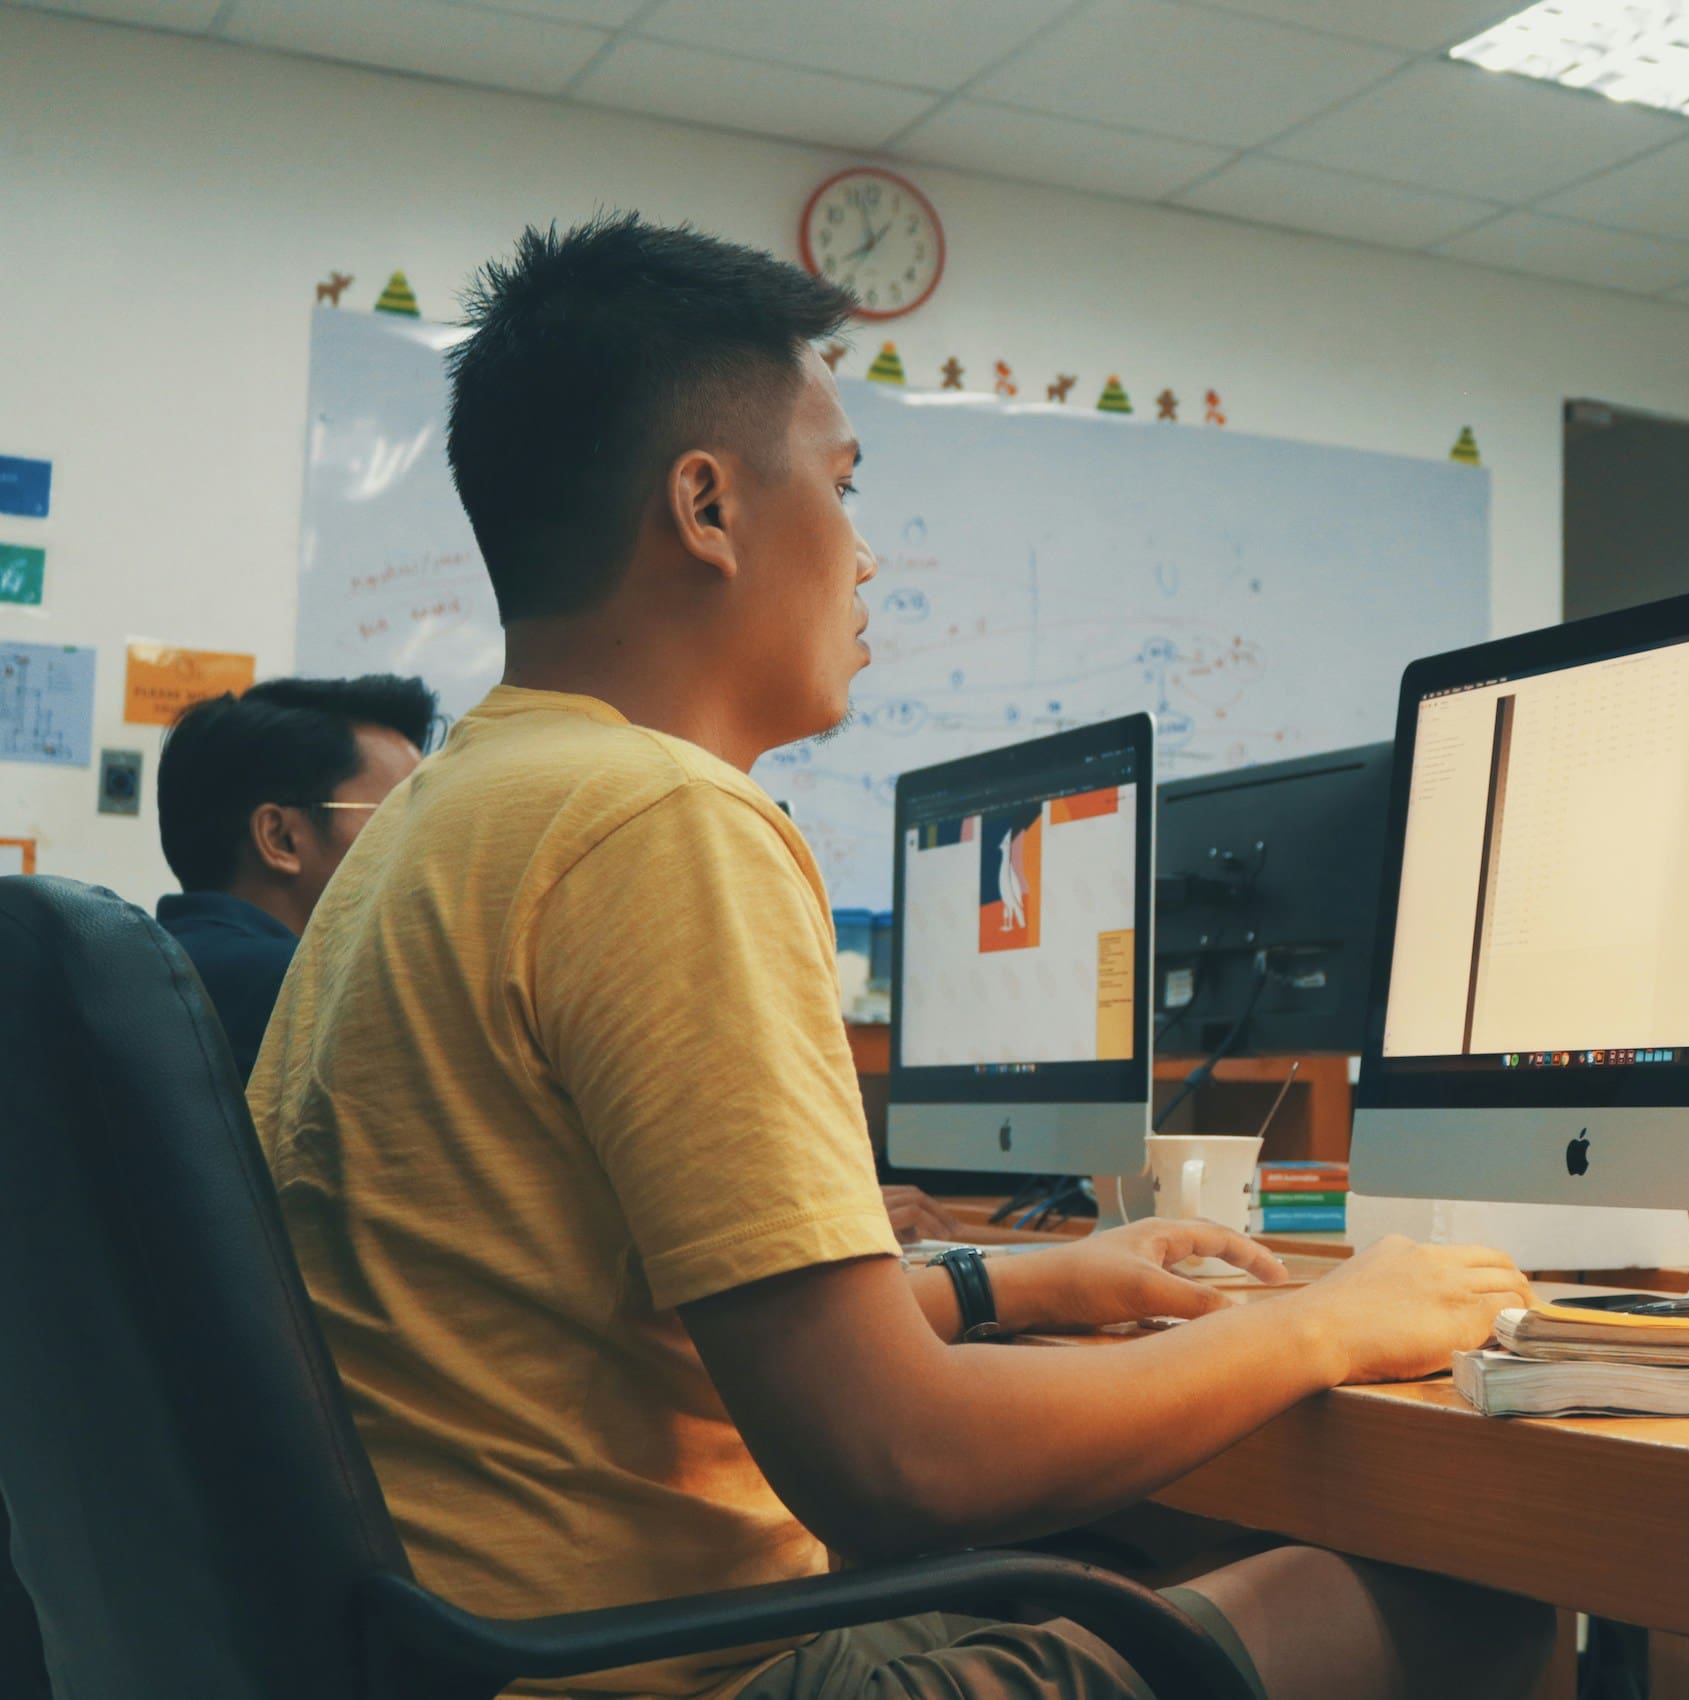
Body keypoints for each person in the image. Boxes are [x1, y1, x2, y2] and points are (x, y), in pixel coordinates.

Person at [249, 214, 1545, 1700]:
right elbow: (899, 1461)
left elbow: (632, 1307)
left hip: (466, 1648)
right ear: (708, 507)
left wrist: (1017, 1287)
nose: (866, 552)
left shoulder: (449, 810)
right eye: (846, 483)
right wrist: (1331, 1322)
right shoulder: (659, 821)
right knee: (1460, 1608)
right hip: (663, 1675)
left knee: (1168, 1565)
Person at [154, 674, 435, 1078]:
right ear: (280, 839)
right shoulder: (318, 993)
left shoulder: (155, 962)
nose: (426, 839)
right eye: (400, 813)